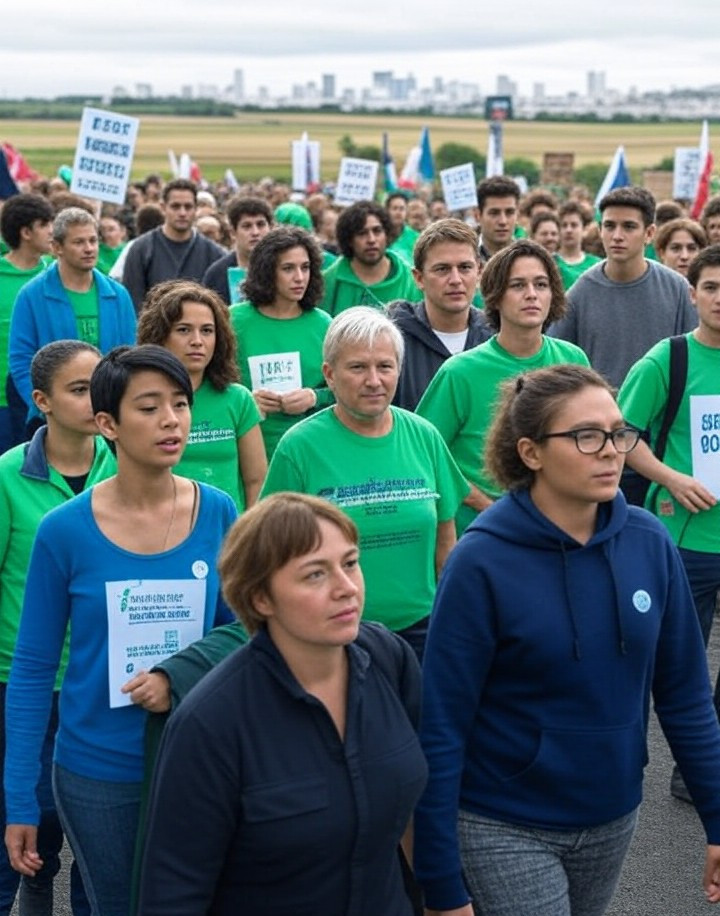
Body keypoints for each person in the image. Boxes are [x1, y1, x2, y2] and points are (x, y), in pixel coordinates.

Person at [414, 363, 720, 916]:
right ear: (530, 452)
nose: (610, 450)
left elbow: (686, 696)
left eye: (618, 433)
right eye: (586, 436)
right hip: (501, 821)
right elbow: (441, 725)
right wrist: (439, 879)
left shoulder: (649, 542)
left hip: (612, 814)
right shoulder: (480, 562)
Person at [4, 345, 236, 916]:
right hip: (98, 771)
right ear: (107, 423)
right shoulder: (64, 532)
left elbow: (246, 633)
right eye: (149, 407)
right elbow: (33, 669)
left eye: (180, 405)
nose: (171, 421)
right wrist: (18, 802)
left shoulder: (218, 511)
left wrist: (176, 674)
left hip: (199, 761)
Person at [137, 492, 428, 916]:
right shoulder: (211, 722)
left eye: (350, 563)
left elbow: (424, 801)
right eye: (315, 575)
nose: (346, 588)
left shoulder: (390, 659)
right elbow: (173, 890)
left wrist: (446, 896)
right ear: (261, 599)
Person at [262, 306, 468, 661]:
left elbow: (446, 541)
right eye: (358, 367)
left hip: (422, 632)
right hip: (334, 635)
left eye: (385, 367)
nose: (374, 380)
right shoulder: (299, 448)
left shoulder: (424, 436)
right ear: (329, 374)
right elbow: (273, 553)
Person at [0, 340, 112, 916]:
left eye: (100, 383)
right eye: (77, 389)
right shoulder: (8, 476)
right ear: (40, 400)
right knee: (29, 817)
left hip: (102, 681)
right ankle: (34, 889)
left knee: (97, 834)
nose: (95, 398)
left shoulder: (126, 464)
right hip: (25, 681)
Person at [618, 244, 720, 801]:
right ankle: (635, 758)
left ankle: (703, 766)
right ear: (692, 293)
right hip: (684, 537)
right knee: (675, 660)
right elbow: (622, 434)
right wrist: (674, 478)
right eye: (711, 287)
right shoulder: (669, 359)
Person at [417, 239, 589, 534]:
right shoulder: (459, 372)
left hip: (558, 525)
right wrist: (487, 506)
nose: (531, 295)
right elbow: (425, 455)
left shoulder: (572, 359)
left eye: (541, 284)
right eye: (518, 285)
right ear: (495, 296)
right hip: (480, 531)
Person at [137, 280, 266, 510]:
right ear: (159, 336)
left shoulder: (237, 399)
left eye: (207, 330)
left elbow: (256, 480)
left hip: (229, 537)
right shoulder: (139, 399)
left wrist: (249, 538)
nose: (197, 341)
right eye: (183, 330)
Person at [7, 207, 136, 437]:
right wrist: (45, 408)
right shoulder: (31, 295)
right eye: (78, 242)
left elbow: (129, 356)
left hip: (107, 416)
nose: (89, 249)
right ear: (57, 247)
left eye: (93, 241)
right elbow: (21, 359)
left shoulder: (118, 294)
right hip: (53, 419)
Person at [551, 186, 697, 389]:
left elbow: (696, 360)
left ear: (649, 233)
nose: (617, 236)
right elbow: (556, 365)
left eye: (628, 227)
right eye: (610, 226)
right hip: (599, 416)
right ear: (600, 230)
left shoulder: (678, 289)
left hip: (663, 416)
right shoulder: (580, 293)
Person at [229, 225, 333, 460]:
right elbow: (209, 383)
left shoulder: (324, 324)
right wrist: (244, 401)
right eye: (288, 268)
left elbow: (346, 388)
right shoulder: (233, 320)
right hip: (248, 449)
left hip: (310, 449)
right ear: (267, 272)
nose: (299, 277)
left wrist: (315, 397)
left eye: (305, 268)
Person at [388, 219, 491, 411]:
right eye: (442, 269)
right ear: (419, 278)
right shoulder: (391, 340)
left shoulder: (496, 337)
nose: (455, 280)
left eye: (465, 268)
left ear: (479, 272)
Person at [0, 193, 54, 453]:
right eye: (44, 224)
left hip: (49, 399)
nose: (52, 231)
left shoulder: (57, 274)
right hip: (3, 400)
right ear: (26, 232)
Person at [120, 178, 225, 311]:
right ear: (163, 207)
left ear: (196, 208)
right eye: (175, 206)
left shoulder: (214, 253)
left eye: (188, 207)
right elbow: (132, 302)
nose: (182, 213)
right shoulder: (142, 249)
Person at [320, 200, 421, 315]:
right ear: (349, 240)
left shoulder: (411, 281)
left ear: (387, 234)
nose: (371, 240)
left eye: (377, 231)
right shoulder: (328, 283)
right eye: (362, 233)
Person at [201, 196, 273, 305]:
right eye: (247, 226)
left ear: (271, 228)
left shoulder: (283, 268)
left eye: (260, 224)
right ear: (232, 233)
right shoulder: (217, 274)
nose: (255, 232)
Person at [554, 200, 601, 291]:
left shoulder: (597, 265)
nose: (568, 230)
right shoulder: (550, 262)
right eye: (564, 225)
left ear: (584, 230)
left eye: (574, 225)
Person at [475, 176, 521, 265]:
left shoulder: (528, 258)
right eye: (494, 213)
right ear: (478, 215)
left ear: (517, 214)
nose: (503, 221)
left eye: (509, 212)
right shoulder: (465, 257)